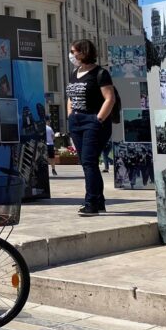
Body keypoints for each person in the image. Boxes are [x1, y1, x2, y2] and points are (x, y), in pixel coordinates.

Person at [66, 39, 115, 216]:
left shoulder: (100, 74)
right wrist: (70, 114)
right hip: (76, 122)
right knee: (89, 163)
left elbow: (110, 98)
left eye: (73, 52)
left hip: (93, 122)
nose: (71, 55)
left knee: (88, 162)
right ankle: (99, 201)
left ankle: (91, 203)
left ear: (83, 52)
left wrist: (98, 119)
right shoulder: (74, 73)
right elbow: (71, 97)